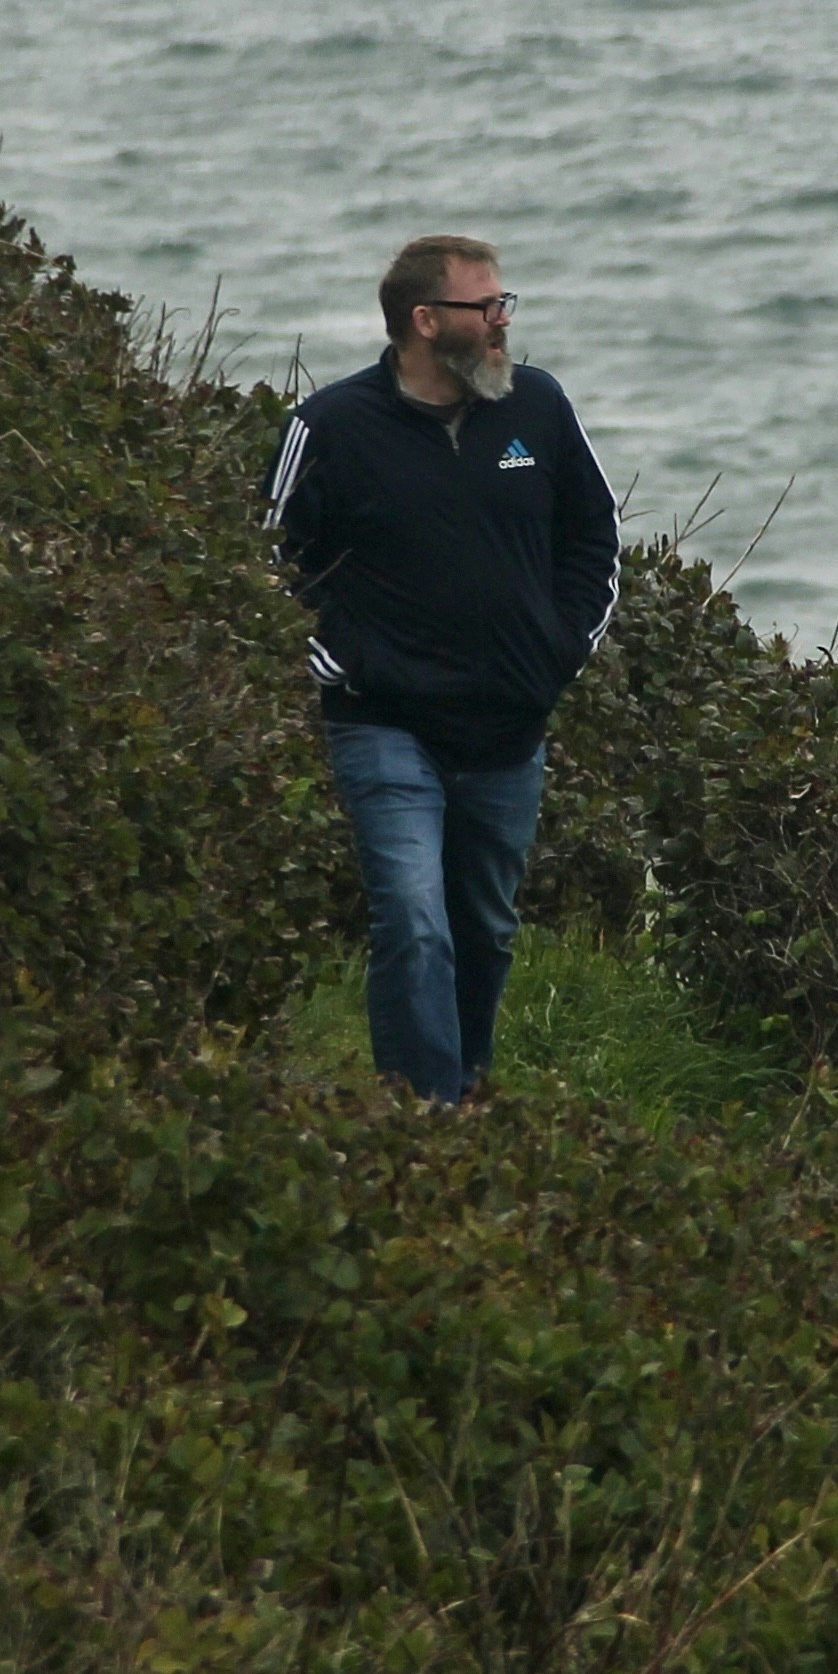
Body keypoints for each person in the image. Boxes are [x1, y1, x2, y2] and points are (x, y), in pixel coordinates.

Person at [262, 233, 622, 1105]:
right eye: (484, 307)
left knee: (484, 929)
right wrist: (345, 665)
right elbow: (272, 564)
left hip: (509, 728)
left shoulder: (537, 407)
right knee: (416, 924)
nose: (502, 322)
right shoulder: (331, 428)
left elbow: (595, 540)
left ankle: (465, 1086)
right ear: (426, 322)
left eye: (505, 305)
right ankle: (425, 1118)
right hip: (384, 725)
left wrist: (557, 653)